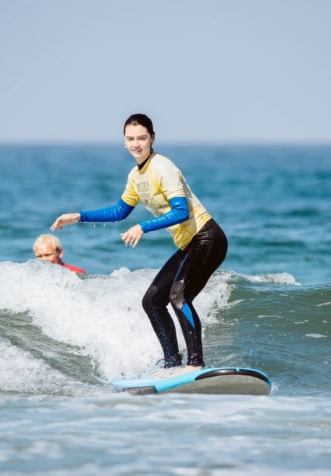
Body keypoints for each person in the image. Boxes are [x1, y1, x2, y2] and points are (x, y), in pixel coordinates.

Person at [50, 113, 227, 376]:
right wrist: (78, 216)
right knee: (152, 301)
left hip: (207, 238)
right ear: (124, 142)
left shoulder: (162, 167)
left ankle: (195, 363)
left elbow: (182, 212)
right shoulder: (136, 175)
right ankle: (171, 364)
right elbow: (120, 211)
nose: (136, 144)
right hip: (190, 243)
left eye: (141, 138)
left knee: (178, 296)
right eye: (130, 139)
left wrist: (143, 226)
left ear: (152, 138)